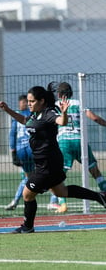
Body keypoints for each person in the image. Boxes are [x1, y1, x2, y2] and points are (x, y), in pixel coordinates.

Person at [0, 86, 106, 233]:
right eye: (28, 101)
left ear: (42, 101)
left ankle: (27, 226)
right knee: (61, 191)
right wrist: (8, 110)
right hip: (46, 162)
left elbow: (61, 121)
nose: (29, 104)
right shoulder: (34, 115)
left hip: (48, 163)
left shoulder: (48, 113)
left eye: (32, 101)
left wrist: (65, 112)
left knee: (27, 194)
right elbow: (24, 120)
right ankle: (100, 197)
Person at [47, 82, 106, 213]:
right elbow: (95, 118)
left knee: (59, 174)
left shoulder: (56, 105)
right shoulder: (79, 103)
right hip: (80, 140)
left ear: (59, 94)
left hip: (64, 142)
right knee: (94, 170)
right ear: (71, 93)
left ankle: (62, 203)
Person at [5, 95, 34, 210]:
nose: (25, 104)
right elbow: (12, 134)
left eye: (26, 102)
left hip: (28, 148)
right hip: (26, 149)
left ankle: (16, 200)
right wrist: (13, 151)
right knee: (35, 175)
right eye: (23, 102)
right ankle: (53, 200)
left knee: (29, 176)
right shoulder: (19, 116)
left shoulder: (29, 113)